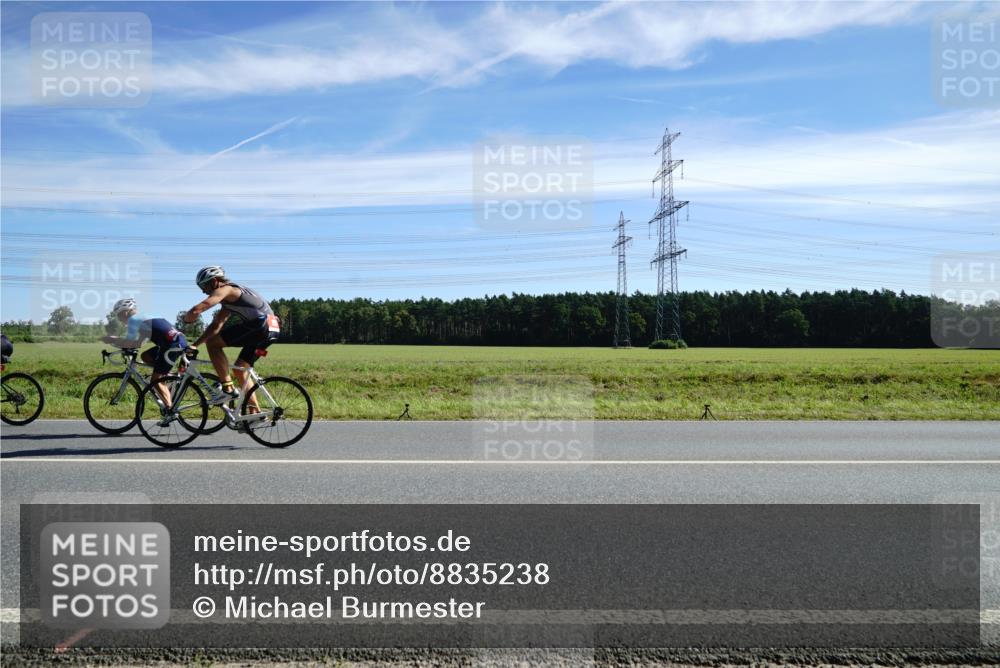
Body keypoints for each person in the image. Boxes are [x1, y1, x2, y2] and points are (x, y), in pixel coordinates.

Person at [182, 266, 279, 409]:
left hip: (260, 325)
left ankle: (227, 389)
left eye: (204, 286)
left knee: (213, 344)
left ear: (215, 281)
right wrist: (196, 344)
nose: (203, 290)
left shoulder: (226, 289)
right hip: (272, 328)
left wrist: (187, 318)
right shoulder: (231, 299)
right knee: (240, 368)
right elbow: (216, 325)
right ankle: (255, 411)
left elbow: (202, 307)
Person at [102, 298, 188, 410]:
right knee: (146, 356)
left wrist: (113, 340)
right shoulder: (144, 317)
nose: (119, 319)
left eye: (119, 315)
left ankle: (170, 410)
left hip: (171, 345)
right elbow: (138, 343)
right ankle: (168, 377)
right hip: (175, 342)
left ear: (126, 311)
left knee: (156, 380)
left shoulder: (134, 320)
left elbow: (130, 342)